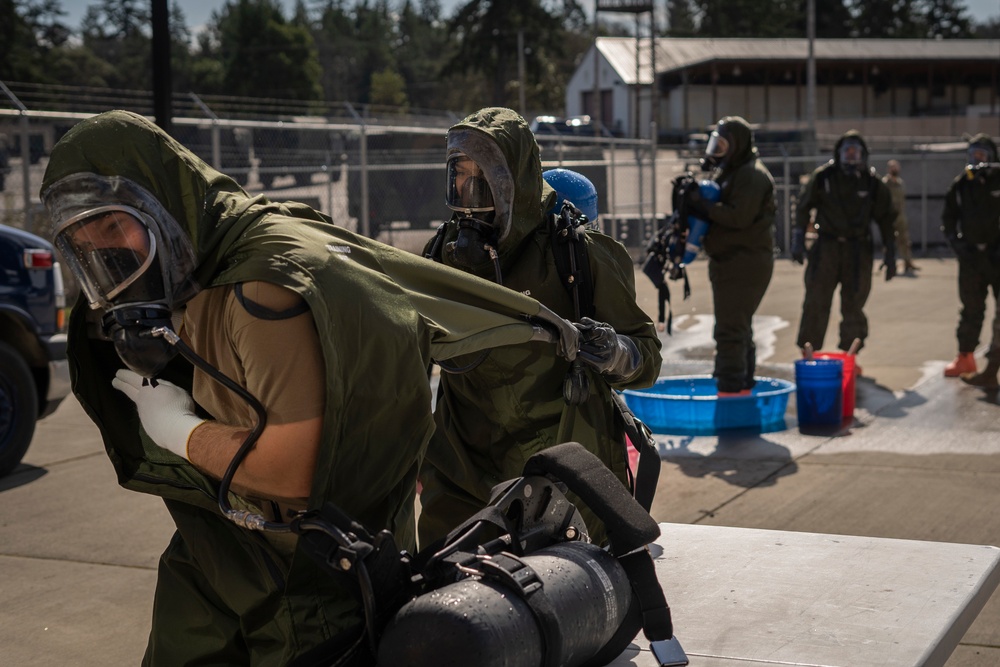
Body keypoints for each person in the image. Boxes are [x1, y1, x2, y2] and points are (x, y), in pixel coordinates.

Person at [41, 110, 576, 666]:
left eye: (112, 226)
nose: (105, 251)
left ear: (162, 204)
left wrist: (176, 429)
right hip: (224, 541)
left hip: (304, 573)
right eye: (83, 242)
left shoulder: (262, 285)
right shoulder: (218, 254)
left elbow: (293, 472)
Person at [418, 107, 661, 547]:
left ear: (512, 181)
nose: (467, 192)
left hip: (562, 471)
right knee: (443, 588)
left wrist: (614, 351)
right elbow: (408, 359)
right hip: (462, 472)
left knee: (562, 597)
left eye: (482, 177)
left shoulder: (577, 253)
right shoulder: (442, 256)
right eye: (458, 175)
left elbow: (646, 356)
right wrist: (415, 459)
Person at [684, 116, 776, 396]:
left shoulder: (750, 175)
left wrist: (704, 206)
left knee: (730, 330)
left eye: (723, 145)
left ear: (738, 146)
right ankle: (741, 386)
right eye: (716, 144)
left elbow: (738, 216)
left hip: (743, 262)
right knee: (737, 327)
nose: (717, 151)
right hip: (733, 261)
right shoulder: (733, 171)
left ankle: (731, 390)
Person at [791, 130, 897, 358]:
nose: (851, 157)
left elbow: (887, 218)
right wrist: (798, 239)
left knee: (854, 304)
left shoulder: (871, 184)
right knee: (815, 301)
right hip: (826, 248)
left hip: (858, 250)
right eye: (846, 152)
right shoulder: (823, 177)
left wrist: (891, 252)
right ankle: (809, 350)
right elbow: (803, 206)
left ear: (863, 155)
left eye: (855, 152)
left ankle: (850, 354)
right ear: (838, 154)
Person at [940, 134, 1000, 385]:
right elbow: (948, 219)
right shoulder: (961, 185)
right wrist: (958, 244)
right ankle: (965, 356)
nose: (977, 160)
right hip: (972, 258)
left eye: (982, 155)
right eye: (974, 154)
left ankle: (993, 364)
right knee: (971, 308)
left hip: (998, 257)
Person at [883, 159, 919, 274]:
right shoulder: (885, 183)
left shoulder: (900, 183)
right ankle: (889, 263)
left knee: (904, 240)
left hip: (901, 217)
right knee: (889, 241)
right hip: (889, 217)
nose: (894, 169)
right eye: (892, 167)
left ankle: (908, 262)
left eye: (896, 167)